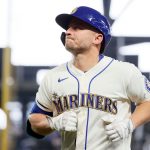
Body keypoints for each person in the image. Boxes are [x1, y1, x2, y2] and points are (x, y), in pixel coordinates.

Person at [26, 6, 150, 150]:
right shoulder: (53, 76)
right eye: (68, 28)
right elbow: (34, 122)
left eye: (77, 28)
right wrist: (53, 123)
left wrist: (130, 123)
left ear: (97, 38)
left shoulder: (124, 71)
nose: (68, 32)